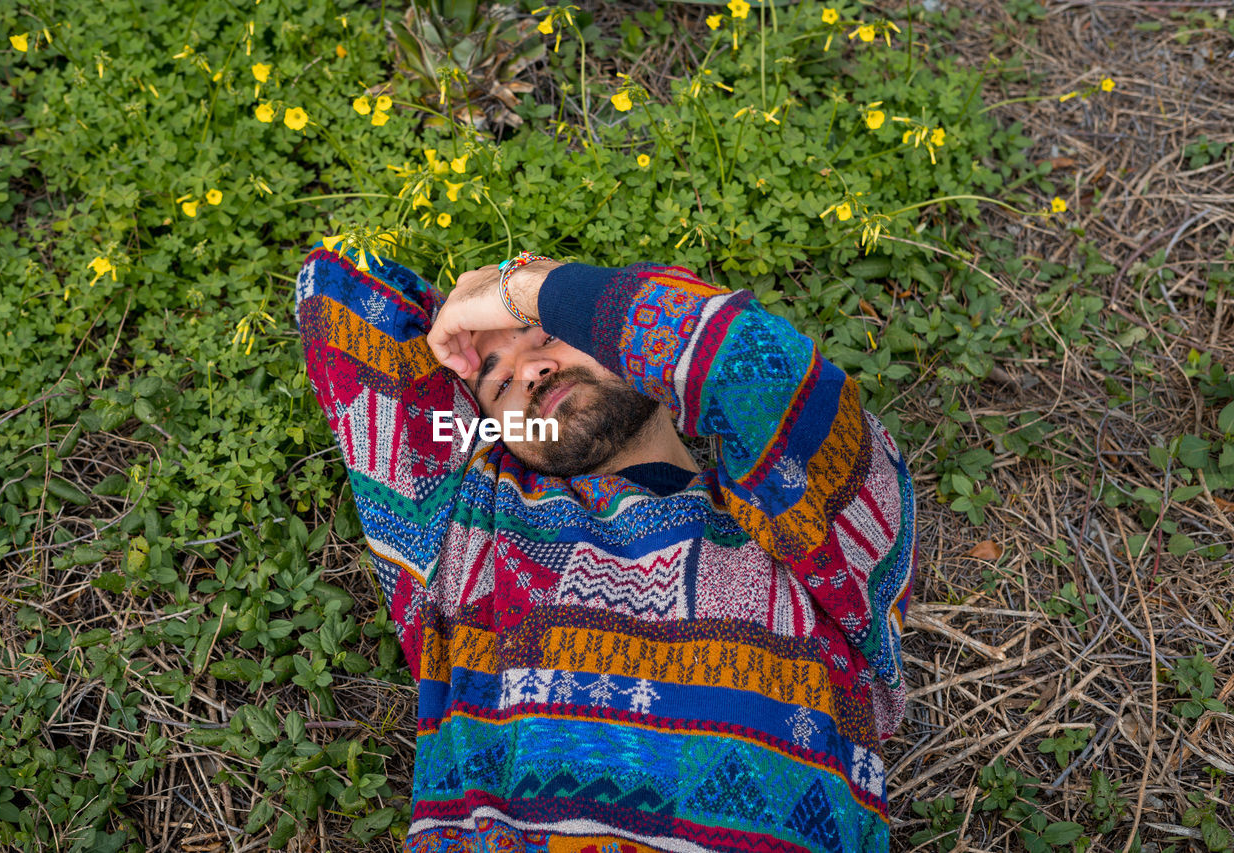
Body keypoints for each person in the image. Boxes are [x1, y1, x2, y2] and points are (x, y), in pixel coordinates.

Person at [296, 243, 918, 853]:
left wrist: (526, 288)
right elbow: (336, 291)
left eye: (543, 337)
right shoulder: (464, 529)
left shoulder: (813, 529)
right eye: (497, 383)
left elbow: (757, 367)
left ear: (629, 337)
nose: (530, 373)